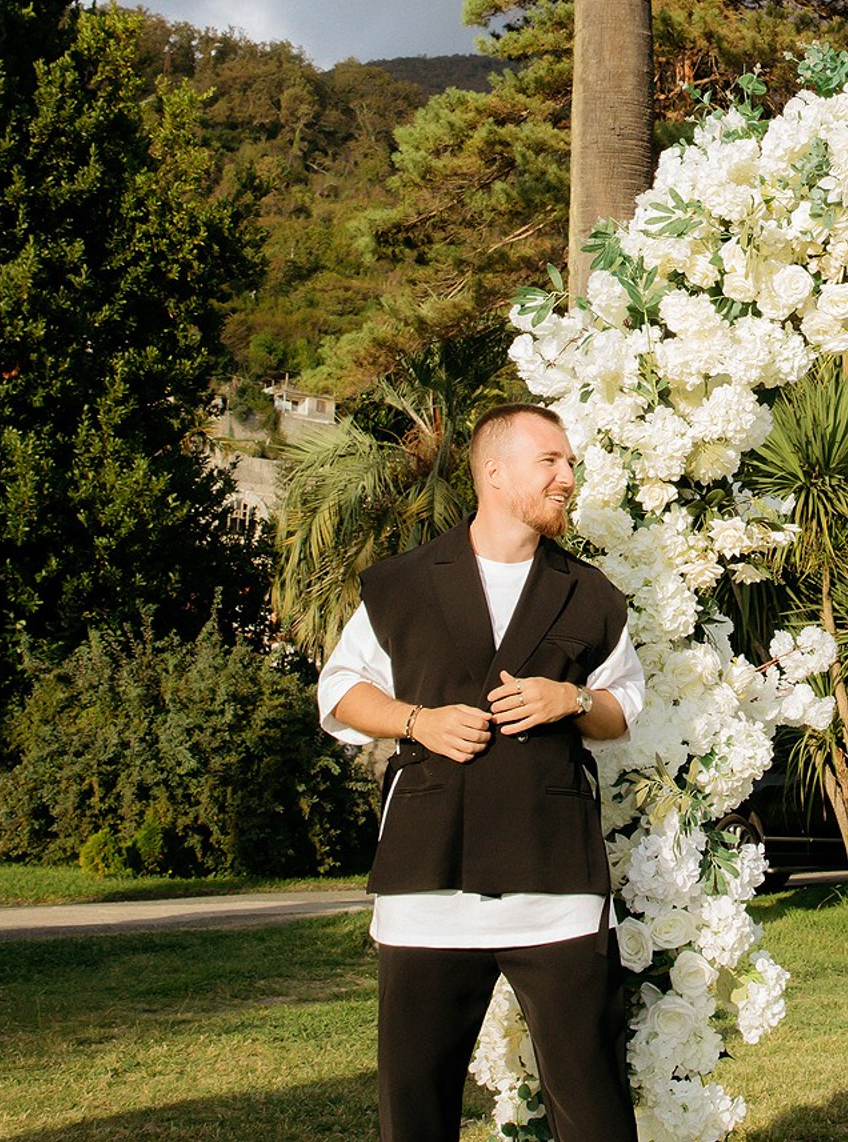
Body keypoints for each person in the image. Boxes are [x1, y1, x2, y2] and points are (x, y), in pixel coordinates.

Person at [319, 402, 645, 1142]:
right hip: (427, 887)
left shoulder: (591, 593)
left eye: (569, 463)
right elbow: (339, 692)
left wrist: (574, 697)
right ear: (494, 473)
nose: (568, 477)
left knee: (594, 1110)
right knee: (416, 1112)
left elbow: (623, 708)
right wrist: (417, 721)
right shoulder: (401, 584)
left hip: (557, 887)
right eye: (551, 462)